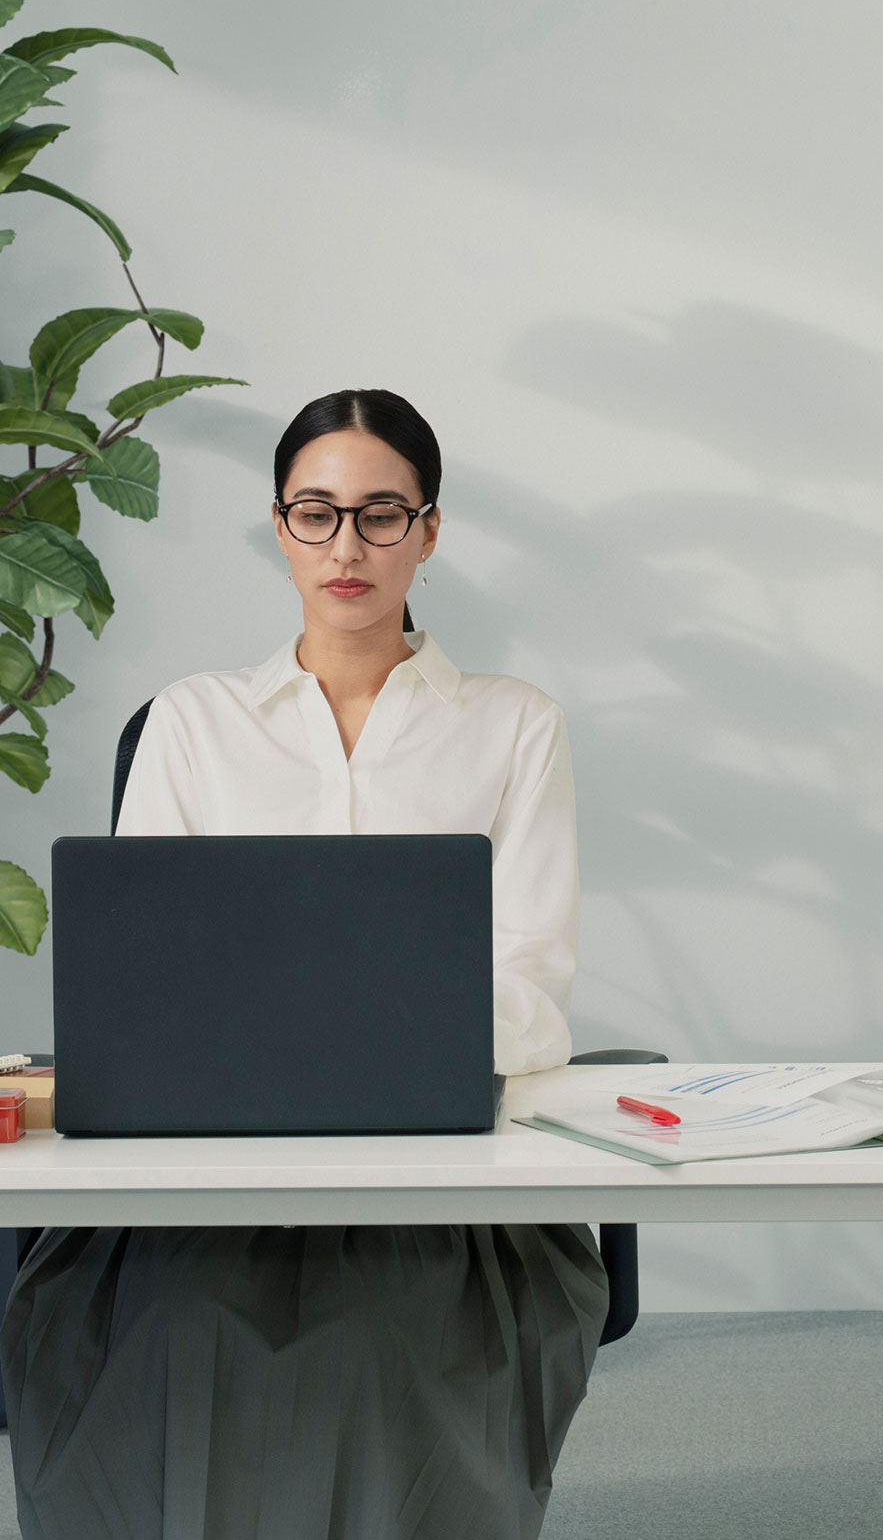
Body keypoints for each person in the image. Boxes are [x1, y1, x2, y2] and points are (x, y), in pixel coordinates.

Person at [0, 390, 608, 1540]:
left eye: (382, 515)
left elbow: (530, 981)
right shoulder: (192, 721)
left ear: (430, 530)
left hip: (436, 1182)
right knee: (173, 1331)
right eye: (316, 513)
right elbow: (143, 986)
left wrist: (383, 1055)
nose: (347, 547)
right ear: (277, 526)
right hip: (205, 1181)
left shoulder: (514, 724)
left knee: (393, 1342)